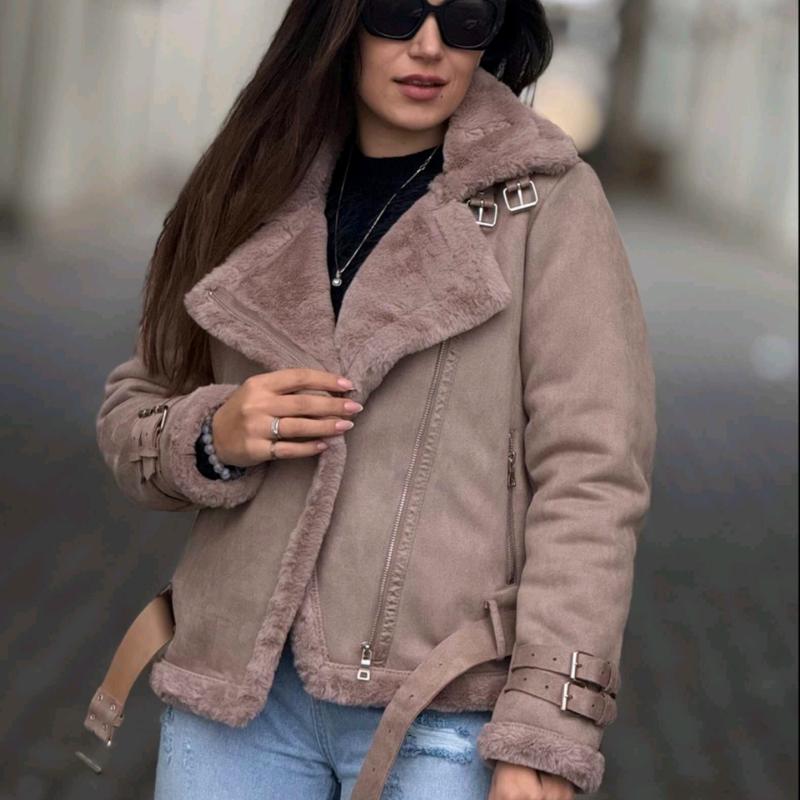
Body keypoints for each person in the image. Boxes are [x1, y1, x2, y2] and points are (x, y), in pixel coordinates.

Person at [95, 1, 657, 798]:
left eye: (464, 17)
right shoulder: (247, 185)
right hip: (237, 697)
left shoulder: (548, 205)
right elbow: (134, 409)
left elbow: (593, 477)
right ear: (340, 19)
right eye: (397, 11)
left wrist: (546, 727)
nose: (429, 45)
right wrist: (215, 432)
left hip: (448, 713)